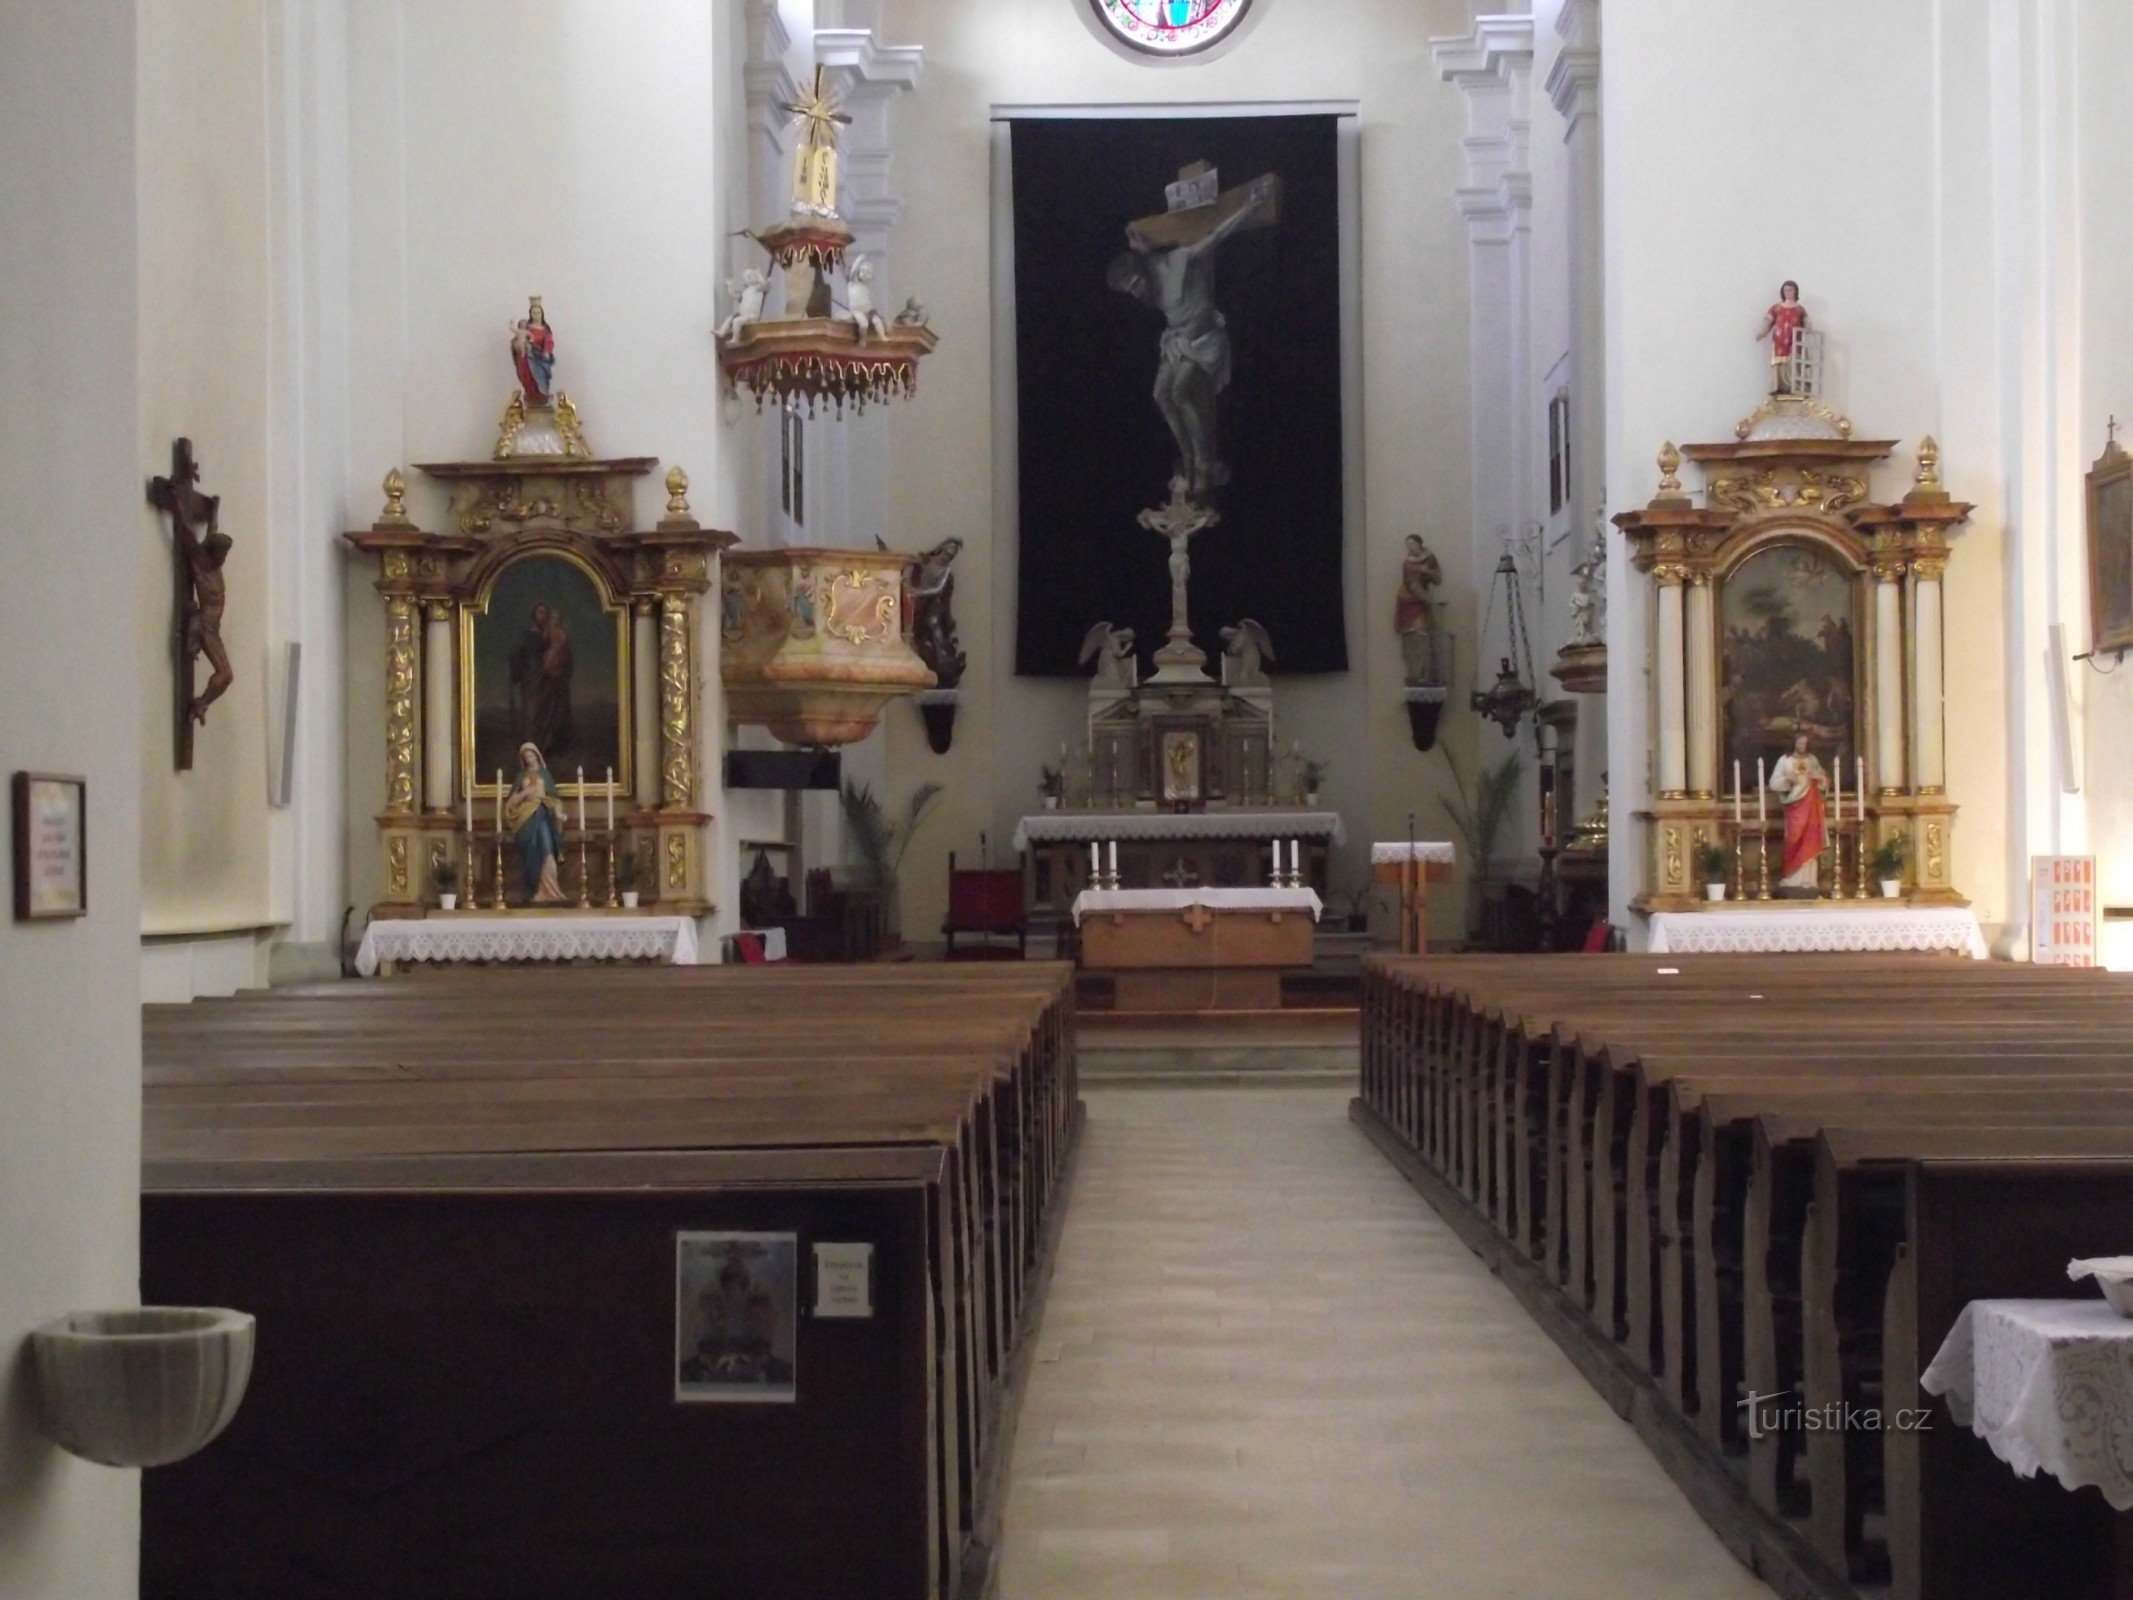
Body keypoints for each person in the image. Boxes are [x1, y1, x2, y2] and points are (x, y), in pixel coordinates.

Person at [1107, 176, 1276, 498]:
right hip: (1177, 341)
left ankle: (1203, 461)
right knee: (1160, 395)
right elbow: (1144, 257)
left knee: (1181, 392)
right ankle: (1186, 458)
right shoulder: (1147, 281)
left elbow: (1216, 236)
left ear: (1142, 274)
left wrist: (1250, 206)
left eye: (1136, 285)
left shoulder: (1178, 261)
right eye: (1130, 291)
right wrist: (1142, 247)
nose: (1136, 293)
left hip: (1204, 340)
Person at [504, 742, 568, 904]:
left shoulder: (545, 775)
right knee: (532, 849)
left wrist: (559, 813)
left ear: (537, 755)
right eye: (526, 757)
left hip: (543, 812)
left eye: (531, 755)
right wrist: (525, 793)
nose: (529, 759)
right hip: (526, 818)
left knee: (547, 849)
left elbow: (554, 799)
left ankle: (550, 890)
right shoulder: (521, 777)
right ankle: (534, 890)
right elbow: (511, 803)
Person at [508, 603, 574, 758]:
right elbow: (516, 655)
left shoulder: (551, 634)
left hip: (548, 680)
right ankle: (531, 749)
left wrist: (561, 669)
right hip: (531, 679)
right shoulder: (527, 635)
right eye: (540, 612)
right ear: (534, 615)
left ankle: (546, 747)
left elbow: (563, 654)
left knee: (548, 713)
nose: (543, 616)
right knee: (532, 713)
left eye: (545, 613)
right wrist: (516, 674)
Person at [1768, 732, 1829, 894]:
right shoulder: (1785, 760)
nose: (1803, 746)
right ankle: (1791, 878)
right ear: (1794, 743)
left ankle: (1808, 880)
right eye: (1800, 743)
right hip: (1794, 807)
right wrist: (1787, 780)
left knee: (1811, 839)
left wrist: (1820, 778)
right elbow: (1773, 783)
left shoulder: (1812, 760)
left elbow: (1824, 781)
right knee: (1793, 839)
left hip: (1811, 806)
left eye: (1805, 744)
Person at [1394, 534, 1444, 683]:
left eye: (1412, 544)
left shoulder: (1429, 558)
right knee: (1414, 635)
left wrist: (1427, 571)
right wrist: (1428, 600)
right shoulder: (1407, 563)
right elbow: (1412, 585)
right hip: (1409, 600)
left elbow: (1438, 579)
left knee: (1424, 635)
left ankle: (1425, 674)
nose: (1410, 547)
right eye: (1407, 545)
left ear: (1419, 544)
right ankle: (1416, 674)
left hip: (1422, 600)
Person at [1756, 281, 1807, 395]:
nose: (1788, 292)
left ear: (1795, 291)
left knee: (1793, 362)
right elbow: (1768, 323)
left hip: (1794, 340)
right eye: (1786, 290)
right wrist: (1762, 333)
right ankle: (1778, 386)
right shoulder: (1776, 308)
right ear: (1782, 292)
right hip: (1779, 339)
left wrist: (1809, 331)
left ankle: (1794, 386)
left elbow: (1807, 325)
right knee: (1779, 362)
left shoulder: (1799, 309)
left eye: (1790, 290)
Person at [511, 297, 556, 407]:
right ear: (531, 314)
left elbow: (549, 341)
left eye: (538, 313)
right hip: (526, 357)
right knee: (527, 376)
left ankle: (542, 395)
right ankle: (531, 395)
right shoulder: (526, 328)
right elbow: (517, 340)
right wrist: (517, 346)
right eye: (534, 313)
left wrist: (546, 351)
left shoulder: (545, 329)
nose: (536, 315)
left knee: (539, 377)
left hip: (540, 358)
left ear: (542, 314)